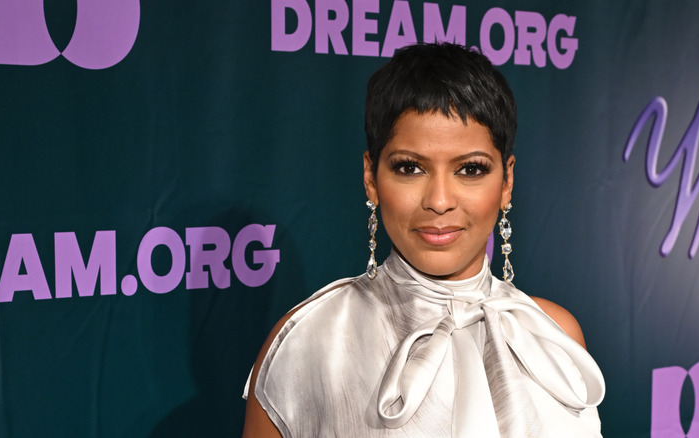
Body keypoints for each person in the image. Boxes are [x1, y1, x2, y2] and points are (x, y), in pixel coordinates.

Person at [242, 42, 605, 437]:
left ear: (507, 182)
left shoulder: (554, 333)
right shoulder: (307, 344)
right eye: (410, 167)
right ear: (371, 177)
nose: (439, 201)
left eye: (470, 169)